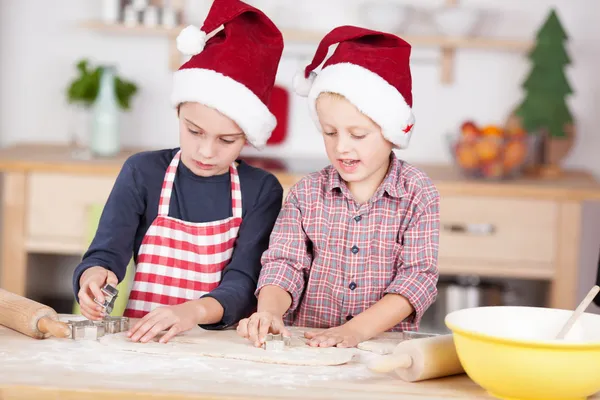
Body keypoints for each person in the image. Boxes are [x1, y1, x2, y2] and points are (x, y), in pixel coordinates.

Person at [73, 0, 285, 344]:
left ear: (248, 136)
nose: (206, 151)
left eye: (227, 140)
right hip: (141, 341)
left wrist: (190, 312)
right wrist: (94, 279)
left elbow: (245, 282)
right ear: (178, 113)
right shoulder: (143, 171)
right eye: (194, 130)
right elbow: (107, 252)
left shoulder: (261, 190)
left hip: (219, 344)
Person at [237, 26, 440, 348]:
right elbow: (284, 263)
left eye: (358, 135)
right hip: (306, 340)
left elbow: (417, 278)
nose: (342, 147)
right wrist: (269, 312)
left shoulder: (417, 192)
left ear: (392, 133)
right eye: (330, 133)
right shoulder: (307, 192)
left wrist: (355, 331)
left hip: (381, 345)